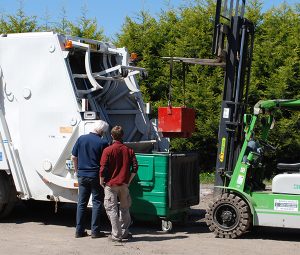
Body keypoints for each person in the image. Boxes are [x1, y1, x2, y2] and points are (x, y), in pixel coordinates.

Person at [100, 125, 138, 242]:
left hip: (111, 185)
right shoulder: (129, 150)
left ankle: (116, 235)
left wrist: (101, 181)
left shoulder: (107, 150)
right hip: (124, 185)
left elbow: (103, 168)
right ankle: (124, 232)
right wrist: (128, 181)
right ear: (122, 135)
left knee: (111, 209)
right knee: (125, 209)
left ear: (112, 136)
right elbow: (135, 167)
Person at [71, 120, 109, 238]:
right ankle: (95, 231)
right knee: (97, 202)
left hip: (82, 175)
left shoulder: (81, 139)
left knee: (81, 203)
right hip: (95, 176)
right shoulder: (103, 143)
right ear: (101, 131)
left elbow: (73, 156)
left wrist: (77, 171)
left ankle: (79, 231)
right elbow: (105, 162)